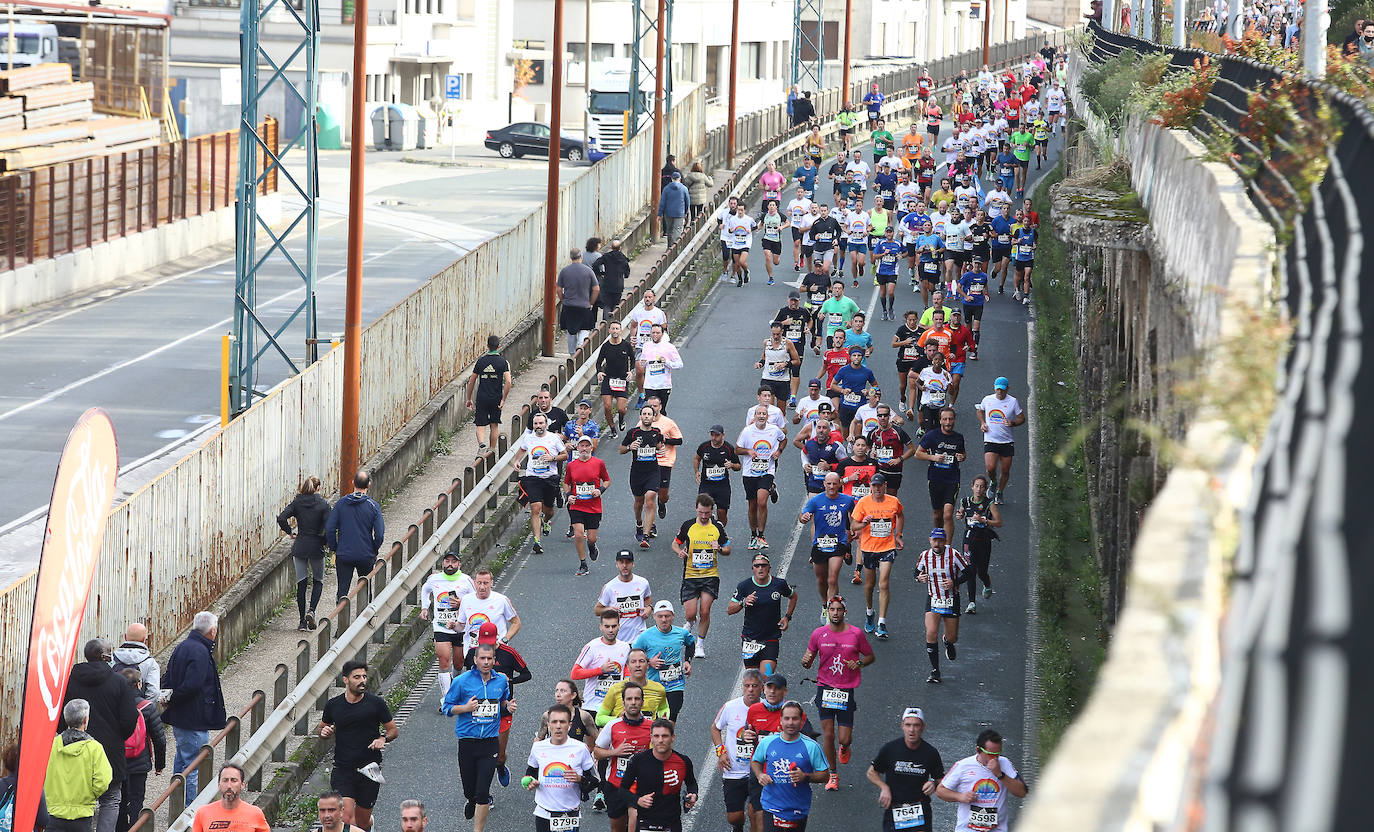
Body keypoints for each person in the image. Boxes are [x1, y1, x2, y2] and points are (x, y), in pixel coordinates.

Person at [801, 596, 874, 790]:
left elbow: (869, 656)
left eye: (839, 609)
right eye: (832, 609)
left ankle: (844, 747)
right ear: (828, 612)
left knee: (844, 738)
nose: (835, 613)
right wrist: (806, 661)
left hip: (845, 689)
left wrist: (858, 663)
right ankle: (832, 775)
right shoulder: (818, 634)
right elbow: (808, 660)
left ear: (845, 612)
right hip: (825, 688)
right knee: (828, 735)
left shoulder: (856, 634)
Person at [319, 661, 398, 831]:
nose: (362, 680)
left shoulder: (376, 704)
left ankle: (369, 824)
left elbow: (393, 730)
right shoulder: (334, 705)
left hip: (370, 769)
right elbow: (322, 727)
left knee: (362, 822)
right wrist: (325, 732)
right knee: (345, 817)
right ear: (345, 679)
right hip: (343, 769)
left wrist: (383, 738)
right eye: (357, 677)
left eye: (364, 676)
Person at [443, 643, 514, 830]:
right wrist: (465, 708)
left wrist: (507, 706)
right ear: (475, 660)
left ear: (494, 660)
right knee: (470, 789)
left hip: (490, 742)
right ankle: (471, 799)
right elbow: (447, 708)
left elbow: (503, 702)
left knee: (483, 791)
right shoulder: (462, 682)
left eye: (489, 658)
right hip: (467, 742)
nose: (486, 662)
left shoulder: (501, 681)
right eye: (482, 658)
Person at [161, 613, 226, 805]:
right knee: (194, 766)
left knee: (182, 762)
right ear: (212, 631)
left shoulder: (183, 646)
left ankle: (177, 805)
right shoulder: (200, 651)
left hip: (181, 717)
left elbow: (168, 677)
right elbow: (193, 685)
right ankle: (192, 809)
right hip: (194, 718)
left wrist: (169, 699)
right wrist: (174, 698)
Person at [462, 623, 535, 785]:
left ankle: (500, 766)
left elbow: (527, 674)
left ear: (496, 638)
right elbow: (466, 680)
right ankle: (483, 795)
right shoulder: (473, 653)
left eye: (490, 641)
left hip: (502, 710)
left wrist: (510, 680)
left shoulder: (509, 653)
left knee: (499, 756)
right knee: (480, 756)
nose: (486, 646)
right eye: (483, 641)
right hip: (479, 712)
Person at [750, 701, 829, 830]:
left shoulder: (811, 746)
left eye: (795, 718)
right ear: (780, 720)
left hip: (797, 809)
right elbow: (756, 760)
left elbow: (825, 775)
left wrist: (805, 777)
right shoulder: (768, 742)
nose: (790, 723)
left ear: (801, 721)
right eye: (787, 718)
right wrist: (760, 775)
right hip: (771, 806)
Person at [672, 494, 732, 656]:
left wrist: (719, 548)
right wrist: (680, 552)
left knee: (705, 611)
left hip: (710, 576)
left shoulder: (717, 527)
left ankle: (700, 644)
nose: (704, 516)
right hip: (691, 575)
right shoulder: (688, 526)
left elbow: (727, 549)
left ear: (711, 510)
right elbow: (675, 543)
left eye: (707, 513)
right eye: (701, 513)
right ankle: (691, 622)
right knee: (690, 613)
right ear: (696, 509)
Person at [867, 708, 945, 832]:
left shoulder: (930, 752)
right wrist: (884, 787)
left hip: (919, 808)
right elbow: (872, 772)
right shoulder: (890, 749)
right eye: (908, 725)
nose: (912, 730)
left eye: (916, 725)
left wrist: (933, 783)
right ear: (902, 726)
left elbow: (941, 779)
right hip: (894, 808)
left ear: (923, 727)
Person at [524, 704, 599, 832]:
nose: (558, 726)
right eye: (554, 722)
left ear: (569, 725)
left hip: (569, 814)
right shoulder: (538, 747)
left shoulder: (580, 748)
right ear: (548, 725)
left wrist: (580, 779)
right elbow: (530, 772)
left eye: (562, 722)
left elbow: (595, 780)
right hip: (544, 812)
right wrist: (530, 781)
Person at [593, 683, 655, 832]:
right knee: (617, 829)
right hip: (616, 785)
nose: (633, 702)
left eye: (636, 699)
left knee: (634, 824)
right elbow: (597, 752)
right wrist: (615, 752)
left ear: (642, 701)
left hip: (640, 786)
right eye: (629, 699)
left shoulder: (652, 726)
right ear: (623, 702)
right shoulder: (613, 726)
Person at [936, 729, 1027, 831]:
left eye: (998, 753)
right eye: (991, 754)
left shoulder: (1004, 763)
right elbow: (940, 791)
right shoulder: (963, 765)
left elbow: (1022, 792)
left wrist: (1000, 775)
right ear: (978, 750)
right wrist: (960, 796)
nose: (995, 758)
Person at [45, 699, 112, 832]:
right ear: (86, 720)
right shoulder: (94, 748)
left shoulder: (50, 746)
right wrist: (89, 795)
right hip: (82, 814)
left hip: (53, 812)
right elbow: (103, 781)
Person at [619, 720, 698, 832]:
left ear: (672, 737)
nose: (660, 740)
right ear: (651, 738)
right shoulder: (638, 760)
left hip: (672, 823)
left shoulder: (683, 761)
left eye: (665, 736)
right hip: (645, 823)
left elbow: (691, 783)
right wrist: (638, 800)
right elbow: (622, 790)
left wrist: (693, 794)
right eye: (656, 736)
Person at [851, 473, 904, 639]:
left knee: (884, 583)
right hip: (868, 548)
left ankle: (882, 623)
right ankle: (869, 611)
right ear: (871, 487)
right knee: (870, 584)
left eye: (879, 486)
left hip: (887, 547)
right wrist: (864, 523)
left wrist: (898, 534)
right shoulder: (863, 502)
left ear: (885, 485)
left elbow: (900, 515)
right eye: (874, 486)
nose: (877, 489)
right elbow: (853, 524)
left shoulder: (893, 501)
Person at [710, 671, 763, 832]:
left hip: (759, 772)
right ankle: (738, 827)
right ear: (742, 687)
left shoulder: (768, 708)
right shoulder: (730, 707)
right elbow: (715, 728)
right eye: (747, 686)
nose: (750, 690)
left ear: (761, 688)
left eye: (754, 686)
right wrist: (721, 752)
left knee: (756, 814)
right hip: (734, 771)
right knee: (734, 817)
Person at [727, 553, 796, 677]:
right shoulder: (744, 586)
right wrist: (743, 602)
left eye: (763, 565)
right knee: (753, 680)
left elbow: (793, 596)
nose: (760, 568)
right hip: (750, 639)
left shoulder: (779, 584)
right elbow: (730, 609)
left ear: (769, 567)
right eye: (757, 565)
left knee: (766, 677)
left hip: (771, 638)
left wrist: (787, 617)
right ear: (752, 568)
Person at [419, 550, 475, 704]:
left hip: (460, 628)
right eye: (447, 561)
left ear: (459, 564)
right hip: (441, 627)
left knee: (459, 663)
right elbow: (425, 590)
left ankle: (455, 688)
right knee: (444, 661)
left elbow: (475, 600)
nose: (450, 564)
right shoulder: (434, 579)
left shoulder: (466, 580)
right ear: (443, 563)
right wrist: (424, 608)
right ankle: (447, 697)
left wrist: (461, 603)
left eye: (453, 561)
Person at [276, 476, 331, 630]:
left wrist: (290, 532)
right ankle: (311, 611)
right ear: (318, 488)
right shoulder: (323, 505)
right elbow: (329, 527)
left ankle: (301, 622)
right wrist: (326, 542)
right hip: (316, 547)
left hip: (299, 546)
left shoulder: (297, 502)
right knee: (318, 580)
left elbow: (281, 518)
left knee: (302, 583)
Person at [799, 472, 857, 618]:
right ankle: (825, 605)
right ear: (824, 484)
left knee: (832, 578)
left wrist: (854, 529)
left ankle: (833, 609)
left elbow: (854, 516)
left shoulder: (848, 500)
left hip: (839, 543)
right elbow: (803, 516)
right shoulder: (816, 501)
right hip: (820, 543)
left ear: (839, 484)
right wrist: (804, 518)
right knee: (821, 579)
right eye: (829, 484)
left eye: (834, 483)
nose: (832, 487)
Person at [915, 528, 968, 684]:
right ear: (930, 540)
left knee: (952, 637)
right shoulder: (924, 556)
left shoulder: (954, 555)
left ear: (945, 542)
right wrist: (919, 578)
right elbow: (915, 573)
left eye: (940, 541)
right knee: (931, 633)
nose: (937, 543)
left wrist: (954, 582)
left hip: (951, 598)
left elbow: (969, 572)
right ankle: (935, 670)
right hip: (933, 599)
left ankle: (947, 641)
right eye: (934, 540)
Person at [513, 412, 568, 556]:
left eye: (541, 423)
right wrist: (517, 460)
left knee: (549, 510)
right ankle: (537, 541)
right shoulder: (528, 438)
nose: (538, 426)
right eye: (536, 424)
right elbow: (522, 450)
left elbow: (565, 455)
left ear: (546, 424)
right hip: (533, 478)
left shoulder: (553, 438)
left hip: (549, 477)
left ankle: (546, 521)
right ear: (533, 425)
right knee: (536, 508)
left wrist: (552, 457)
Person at [325, 471, 385, 603]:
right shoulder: (373, 506)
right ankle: (366, 618)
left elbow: (329, 529)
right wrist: (374, 550)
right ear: (368, 485)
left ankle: (342, 620)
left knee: (342, 589)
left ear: (353, 483)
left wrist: (335, 548)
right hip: (365, 554)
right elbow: (379, 534)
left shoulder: (341, 504)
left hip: (344, 554)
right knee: (365, 586)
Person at [116, 669, 165, 832]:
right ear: (139, 684)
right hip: (139, 761)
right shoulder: (147, 707)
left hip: (118, 761)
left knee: (118, 801)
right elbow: (159, 737)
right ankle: (135, 828)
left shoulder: (112, 705)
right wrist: (159, 764)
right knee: (137, 799)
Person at [632, 601, 696, 721]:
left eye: (667, 616)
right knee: (653, 720)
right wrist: (649, 662)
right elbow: (632, 655)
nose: (664, 620)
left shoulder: (681, 633)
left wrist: (687, 661)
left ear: (673, 616)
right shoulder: (645, 636)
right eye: (660, 616)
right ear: (654, 617)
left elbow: (691, 643)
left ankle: (669, 739)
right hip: (654, 685)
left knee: (671, 719)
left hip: (675, 685)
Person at [737, 408, 786, 551]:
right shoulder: (747, 431)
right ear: (755, 416)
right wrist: (748, 451)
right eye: (759, 414)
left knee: (761, 501)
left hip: (767, 471)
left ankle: (761, 535)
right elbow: (737, 449)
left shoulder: (774, 430)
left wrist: (778, 451)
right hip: (749, 473)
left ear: (767, 416)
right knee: (752, 505)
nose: (762, 416)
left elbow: (784, 440)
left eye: (764, 414)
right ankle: (753, 535)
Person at [914, 408, 966, 540]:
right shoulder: (932, 435)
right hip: (935, 479)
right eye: (945, 419)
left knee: (948, 514)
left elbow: (962, 454)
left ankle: (947, 547)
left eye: (950, 419)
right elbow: (918, 454)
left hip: (952, 480)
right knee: (937, 514)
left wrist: (961, 457)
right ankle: (938, 536)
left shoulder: (958, 437)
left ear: (954, 420)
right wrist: (933, 458)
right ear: (940, 420)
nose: (948, 422)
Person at [565, 434, 611, 576]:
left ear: (591, 447)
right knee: (579, 535)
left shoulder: (599, 463)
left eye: (587, 446)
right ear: (577, 448)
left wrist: (600, 490)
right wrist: (568, 495)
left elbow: (607, 480)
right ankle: (583, 563)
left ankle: (592, 546)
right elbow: (566, 483)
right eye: (581, 446)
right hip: (577, 506)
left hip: (593, 507)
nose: (584, 449)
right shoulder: (571, 465)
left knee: (591, 538)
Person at [621, 406, 667, 548]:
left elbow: (660, 445)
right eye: (644, 414)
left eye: (649, 414)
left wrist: (661, 448)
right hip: (637, 473)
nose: (647, 416)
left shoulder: (656, 432)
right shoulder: (633, 433)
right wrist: (630, 447)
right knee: (639, 502)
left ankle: (646, 536)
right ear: (640, 417)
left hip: (653, 472)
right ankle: (639, 523)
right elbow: (621, 449)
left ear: (653, 418)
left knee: (650, 499)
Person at [573, 610, 633, 717]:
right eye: (607, 626)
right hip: (592, 705)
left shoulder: (625, 647)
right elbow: (575, 673)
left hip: (615, 706)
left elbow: (626, 670)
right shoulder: (591, 647)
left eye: (614, 626)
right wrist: (600, 670)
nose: (610, 630)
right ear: (601, 627)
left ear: (619, 626)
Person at [975, 377, 1025, 505]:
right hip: (991, 439)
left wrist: (1013, 423)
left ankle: (1000, 492)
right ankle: (994, 482)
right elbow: (980, 411)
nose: (999, 392)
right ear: (994, 387)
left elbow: (1021, 418)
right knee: (990, 468)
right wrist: (982, 423)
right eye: (998, 389)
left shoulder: (1013, 402)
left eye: (1002, 390)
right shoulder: (987, 399)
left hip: (1007, 441)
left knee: (1005, 470)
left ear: (1007, 389)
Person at [958, 476, 1002, 614]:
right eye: (976, 486)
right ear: (972, 487)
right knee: (970, 570)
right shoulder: (965, 501)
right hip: (968, 539)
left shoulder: (989, 504)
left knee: (981, 572)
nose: (979, 489)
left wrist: (984, 520)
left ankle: (987, 584)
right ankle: (971, 603)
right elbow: (961, 513)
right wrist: (959, 515)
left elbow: (999, 523)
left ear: (985, 489)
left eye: (982, 487)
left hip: (984, 540)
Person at [595, 650, 672, 727]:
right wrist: (618, 719)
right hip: (623, 736)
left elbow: (663, 708)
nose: (638, 665)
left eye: (641, 661)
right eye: (633, 662)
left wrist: (664, 717)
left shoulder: (659, 689)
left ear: (648, 665)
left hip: (647, 736)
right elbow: (599, 719)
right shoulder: (615, 689)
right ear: (627, 666)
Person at [465, 335, 513, 454]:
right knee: (494, 424)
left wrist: (468, 398)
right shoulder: (503, 362)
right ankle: (491, 450)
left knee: (480, 423)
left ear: (487, 346)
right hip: (496, 398)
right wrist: (503, 399)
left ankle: (481, 444)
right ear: (499, 346)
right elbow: (508, 381)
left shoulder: (481, 361)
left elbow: (472, 381)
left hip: (482, 397)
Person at [456, 566, 522, 651]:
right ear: (475, 583)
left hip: (496, 650)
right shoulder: (466, 599)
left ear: (491, 583)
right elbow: (461, 626)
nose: (482, 587)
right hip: (472, 650)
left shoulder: (502, 600)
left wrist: (505, 640)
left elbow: (516, 623)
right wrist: (453, 625)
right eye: (479, 583)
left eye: (485, 583)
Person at [596, 551, 654, 644]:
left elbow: (647, 599)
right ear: (617, 565)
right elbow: (597, 610)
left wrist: (649, 608)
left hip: (639, 636)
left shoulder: (643, 583)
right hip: (619, 639)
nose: (624, 565)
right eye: (621, 562)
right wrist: (609, 609)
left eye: (628, 562)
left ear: (633, 564)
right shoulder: (609, 587)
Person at [189, 765, 268, 832]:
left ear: (242, 785)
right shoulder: (203, 813)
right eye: (225, 780)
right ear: (219, 785)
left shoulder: (255, 813)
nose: (229, 786)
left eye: (234, 780)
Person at [694, 424, 743, 528]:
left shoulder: (728, 448)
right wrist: (697, 471)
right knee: (703, 510)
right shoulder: (704, 447)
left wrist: (732, 465)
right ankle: (706, 533)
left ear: (723, 435)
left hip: (722, 486)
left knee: (722, 513)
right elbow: (697, 458)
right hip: (706, 485)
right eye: (712, 435)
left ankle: (720, 532)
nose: (714, 437)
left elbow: (738, 466)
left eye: (717, 435)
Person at [557, 249, 600, 355]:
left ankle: (572, 354)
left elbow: (558, 289)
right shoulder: (588, 271)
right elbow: (596, 289)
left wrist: (563, 299)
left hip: (569, 306)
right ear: (581, 257)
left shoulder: (565, 271)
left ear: (571, 257)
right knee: (585, 329)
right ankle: (580, 348)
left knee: (571, 332)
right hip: (584, 306)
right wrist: (591, 302)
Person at [597, 321, 637, 435]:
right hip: (609, 379)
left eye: (617, 329)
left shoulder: (626, 345)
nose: (615, 331)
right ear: (609, 331)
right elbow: (599, 362)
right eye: (613, 329)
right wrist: (599, 372)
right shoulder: (605, 346)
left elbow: (633, 359)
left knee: (621, 409)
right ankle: (612, 428)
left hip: (622, 379)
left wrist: (631, 371)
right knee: (607, 406)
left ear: (620, 331)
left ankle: (621, 420)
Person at [109, 624, 160, 703]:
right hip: (139, 710)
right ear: (144, 639)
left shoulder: (112, 659)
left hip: (114, 709)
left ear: (125, 637)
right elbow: (154, 692)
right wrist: (143, 708)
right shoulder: (150, 662)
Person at [638, 324, 683, 412]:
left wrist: (667, 362)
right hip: (650, 385)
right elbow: (643, 363)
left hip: (663, 385)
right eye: (653, 332)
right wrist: (642, 362)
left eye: (658, 333)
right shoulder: (646, 346)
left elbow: (680, 364)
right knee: (651, 411)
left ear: (662, 334)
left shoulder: (669, 347)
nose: (655, 335)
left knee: (661, 411)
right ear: (650, 334)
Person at [595, 240, 632, 323]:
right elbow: (627, 272)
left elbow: (595, 265)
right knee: (616, 304)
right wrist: (624, 275)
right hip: (618, 285)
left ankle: (605, 324)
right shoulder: (623, 258)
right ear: (620, 248)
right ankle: (614, 323)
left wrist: (601, 273)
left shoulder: (606, 256)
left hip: (607, 283)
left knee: (607, 304)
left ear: (611, 247)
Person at [659, 172, 690, 244]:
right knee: (677, 230)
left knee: (669, 230)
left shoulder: (666, 189)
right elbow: (687, 202)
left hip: (668, 213)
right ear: (680, 179)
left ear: (671, 179)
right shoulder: (684, 189)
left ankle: (670, 247)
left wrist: (659, 214)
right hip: (679, 213)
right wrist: (685, 212)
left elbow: (662, 202)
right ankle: (675, 248)